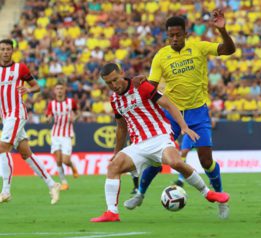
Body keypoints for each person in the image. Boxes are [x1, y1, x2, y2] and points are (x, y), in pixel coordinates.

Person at [124, 10, 236, 219]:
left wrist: (222, 30)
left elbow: (229, 49)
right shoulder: (161, 56)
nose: (174, 39)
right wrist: (140, 82)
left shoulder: (200, 47)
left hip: (198, 112)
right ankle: (140, 194)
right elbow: (153, 86)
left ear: (186, 33)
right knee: (157, 158)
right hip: (171, 115)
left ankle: (220, 198)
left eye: (178, 34)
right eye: (170, 35)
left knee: (205, 160)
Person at [90, 63, 230, 222]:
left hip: (160, 137)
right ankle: (112, 212)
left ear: (122, 73)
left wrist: (184, 127)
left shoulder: (141, 86)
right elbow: (121, 128)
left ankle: (208, 193)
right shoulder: (114, 100)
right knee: (113, 167)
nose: (113, 85)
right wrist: (116, 153)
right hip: (138, 145)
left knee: (175, 162)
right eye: (108, 83)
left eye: (115, 80)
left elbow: (169, 104)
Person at [0, 39, 61, 204]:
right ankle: (52, 184)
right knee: (26, 153)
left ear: (12, 51)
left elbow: (36, 86)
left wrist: (28, 89)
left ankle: (5, 191)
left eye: (8, 49)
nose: (5, 52)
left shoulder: (20, 68)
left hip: (16, 113)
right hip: (6, 116)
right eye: (2, 49)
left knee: (2, 147)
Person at [46, 82, 80, 191]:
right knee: (59, 160)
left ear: (64, 90)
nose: (59, 90)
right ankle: (64, 182)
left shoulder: (71, 102)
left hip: (67, 134)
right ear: (55, 91)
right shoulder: (51, 104)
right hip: (55, 134)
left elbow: (77, 112)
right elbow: (48, 116)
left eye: (61, 88)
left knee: (66, 160)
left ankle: (72, 166)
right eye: (57, 88)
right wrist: (48, 119)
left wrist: (74, 118)